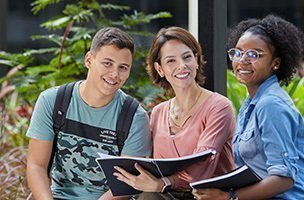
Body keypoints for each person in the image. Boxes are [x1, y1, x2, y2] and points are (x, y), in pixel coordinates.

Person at [192, 14, 304, 200]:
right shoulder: (250, 105)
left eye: (254, 54)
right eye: (238, 52)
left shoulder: (270, 105)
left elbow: (283, 179)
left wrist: (228, 197)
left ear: (275, 63)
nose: (242, 60)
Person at [26, 27, 152, 200]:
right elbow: (36, 165)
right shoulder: (52, 101)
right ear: (89, 60)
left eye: (123, 67)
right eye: (107, 63)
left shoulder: (135, 117)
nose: (115, 74)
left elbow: (125, 184)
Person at [114, 26, 236, 200]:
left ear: (196, 60)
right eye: (171, 61)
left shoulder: (219, 107)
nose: (182, 66)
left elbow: (202, 166)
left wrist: (162, 184)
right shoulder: (157, 113)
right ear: (160, 69)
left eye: (187, 57)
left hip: (206, 196)